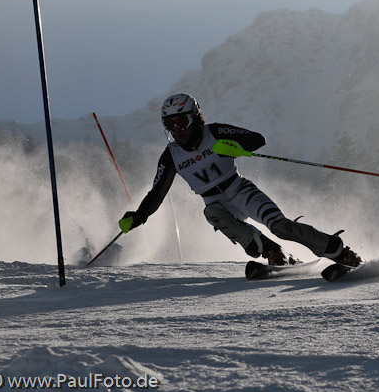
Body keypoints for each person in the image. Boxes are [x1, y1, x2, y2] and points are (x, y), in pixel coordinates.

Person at [121, 93, 361, 267]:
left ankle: (338, 251)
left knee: (280, 227)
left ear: (195, 118)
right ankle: (272, 252)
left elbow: (257, 139)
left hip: (240, 190)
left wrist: (235, 147)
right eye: (170, 125)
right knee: (212, 212)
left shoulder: (214, 132)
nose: (177, 130)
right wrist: (139, 216)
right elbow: (157, 193)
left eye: (181, 122)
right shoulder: (171, 156)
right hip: (217, 204)